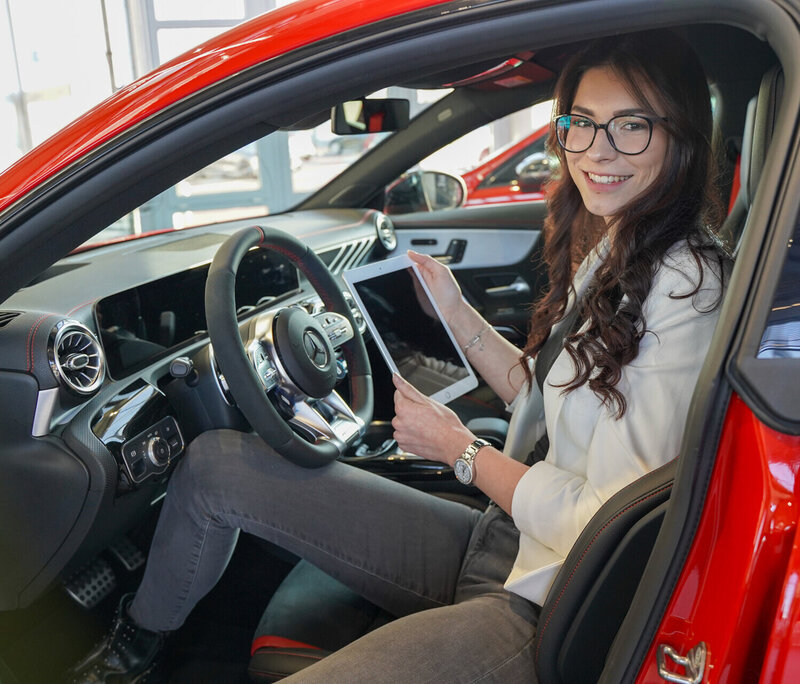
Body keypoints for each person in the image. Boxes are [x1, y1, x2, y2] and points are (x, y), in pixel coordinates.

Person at [69, 29, 727, 684]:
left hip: (547, 603)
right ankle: (136, 650)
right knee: (215, 467)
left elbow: (601, 523)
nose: (597, 151)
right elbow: (545, 397)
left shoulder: (680, 284)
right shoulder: (623, 246)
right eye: (581, 124)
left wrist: (462, 453)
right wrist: (455, 310)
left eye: (631, 126)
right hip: (509, 537)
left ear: (683, 135)